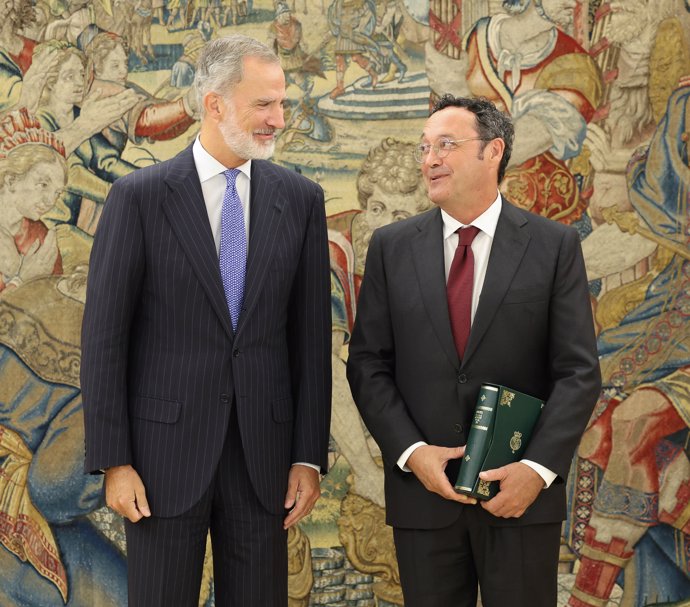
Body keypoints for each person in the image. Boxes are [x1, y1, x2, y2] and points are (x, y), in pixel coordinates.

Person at [80, 34, 332, 607]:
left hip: (264, 462)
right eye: (263, 104)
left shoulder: (300, 200)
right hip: (159, 462)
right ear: (214, 103)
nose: (278, 119)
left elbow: (311, 342)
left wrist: (307, 455)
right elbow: (103, 342)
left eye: (282, 103)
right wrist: (115, 461)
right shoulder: (137, 198)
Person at [346, 95, 601, 607]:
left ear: (493, 152)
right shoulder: (391, 248)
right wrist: (413, 455)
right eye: (425, 147)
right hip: (424, 498)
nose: (430, 158)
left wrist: (537, 470)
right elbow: (368, 363)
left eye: (446, 144)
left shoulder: (553, 246)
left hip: (520, 497)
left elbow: (578, 372)